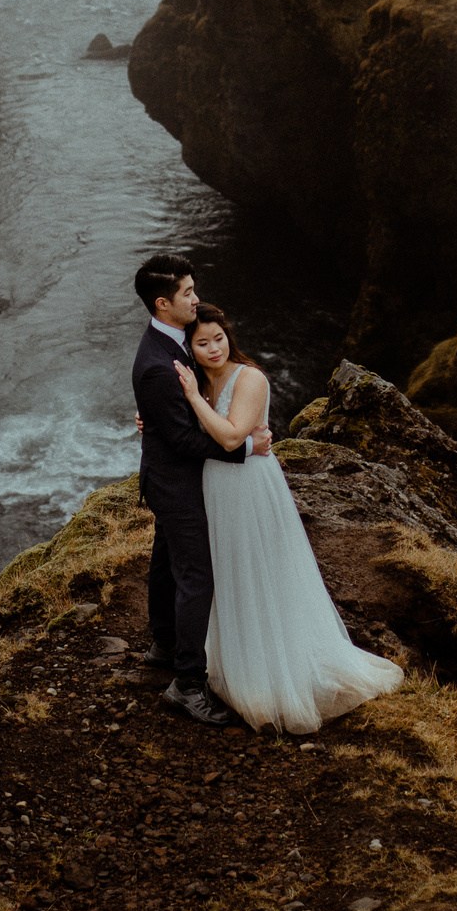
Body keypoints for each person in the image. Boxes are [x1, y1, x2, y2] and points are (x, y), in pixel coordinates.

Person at [175, 304, 403, 732]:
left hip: (249, 487)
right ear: (190, 347)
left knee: (260, 571)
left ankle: (277, 670)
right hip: (213, 488)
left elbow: (228, 436)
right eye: (202, 343)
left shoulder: (251, 379)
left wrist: (190, 398)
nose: (213, 349)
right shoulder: (198, 384)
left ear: (229, 335)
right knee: (226, 574)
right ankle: (235, 662)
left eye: (218, 338)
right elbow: (186, 434)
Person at [130, 254, 271, 726]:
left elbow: (174, 417)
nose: (196, 298)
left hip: (171, 473)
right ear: (162, 303)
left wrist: (155, 420)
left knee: (166, 558)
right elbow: (186, 439)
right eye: (187, 293)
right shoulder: (156, 362)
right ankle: (187, 682)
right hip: (175, 479)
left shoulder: (174, 340)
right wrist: (247, 447)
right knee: (196, 574)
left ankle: (164, 643)